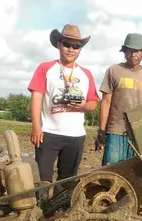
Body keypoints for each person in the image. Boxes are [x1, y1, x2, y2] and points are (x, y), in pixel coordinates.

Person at [27, 24, 99, 199]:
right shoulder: (45, 68)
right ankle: (41, 212)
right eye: (67, 44)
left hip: (75, 135)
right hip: (48, 133)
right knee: (43, 178)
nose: (71, 49)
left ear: (80, 49)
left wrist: (82, 106)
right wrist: (36, 127)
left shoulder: (86, 74)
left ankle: (58, 216)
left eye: (76, 46)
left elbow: (93, 104)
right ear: (59, 44)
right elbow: (36, 99)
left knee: (67, 181)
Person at [96, 33, 142, 165]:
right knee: (110, 172)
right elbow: (106, 102)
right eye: (129, 50)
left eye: (136, 51)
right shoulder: (114, 71)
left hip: (136, 134)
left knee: (131, 175)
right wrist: (101, 131)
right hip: (115, 131)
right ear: (124, 51)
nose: (132, 54)